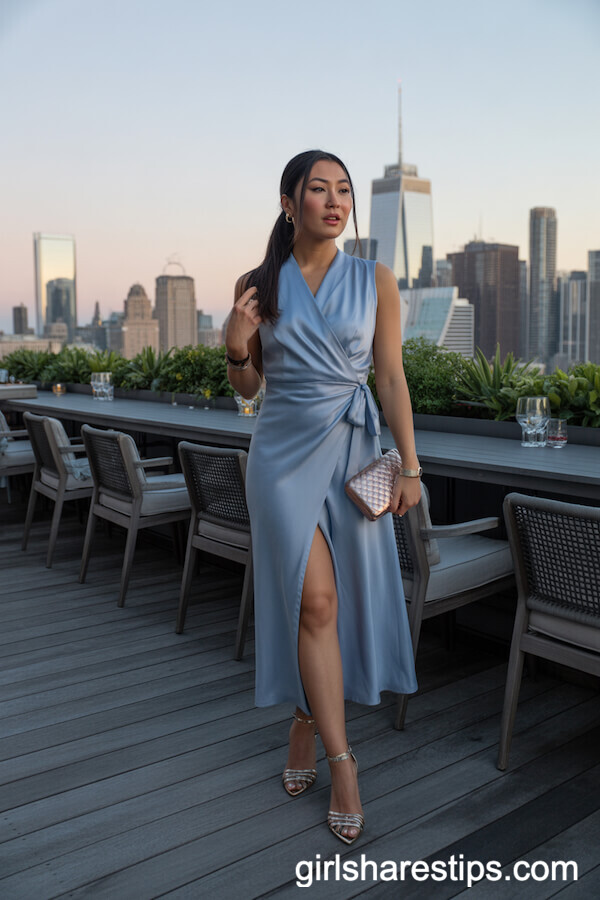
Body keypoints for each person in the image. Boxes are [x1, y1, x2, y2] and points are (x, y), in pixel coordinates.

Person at [225, 150, 420, 845]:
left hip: (356, 454)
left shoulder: (376, 280)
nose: (335, 201)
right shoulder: (258, 284)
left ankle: (306, 720)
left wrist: (412, 468)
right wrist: (236, 347)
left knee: (336, 604)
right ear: (289, 202)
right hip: (280, 458)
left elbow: (391, 379)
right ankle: (345, 764)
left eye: (343, 191)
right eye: (319, 190)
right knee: (314, 602)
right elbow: (248, 393)